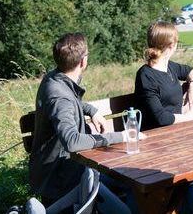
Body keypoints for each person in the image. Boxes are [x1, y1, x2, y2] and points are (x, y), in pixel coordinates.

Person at [29, 33, 145, 213]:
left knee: (128, 183)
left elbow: (68, 101)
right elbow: (73, 141)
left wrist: (91, 110)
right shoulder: (60, 96)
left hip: (65, 172)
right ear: (83, 62)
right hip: (62, 182)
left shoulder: (54, 78)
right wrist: (119, 136)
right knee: (129, 195)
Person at [134, 21, 193, 131]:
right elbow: (161, 118)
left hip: (176, 129)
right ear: (172, 45)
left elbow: (191, 71)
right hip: (156, 135)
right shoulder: (146, 76)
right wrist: (188, 117)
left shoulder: (169, 66)